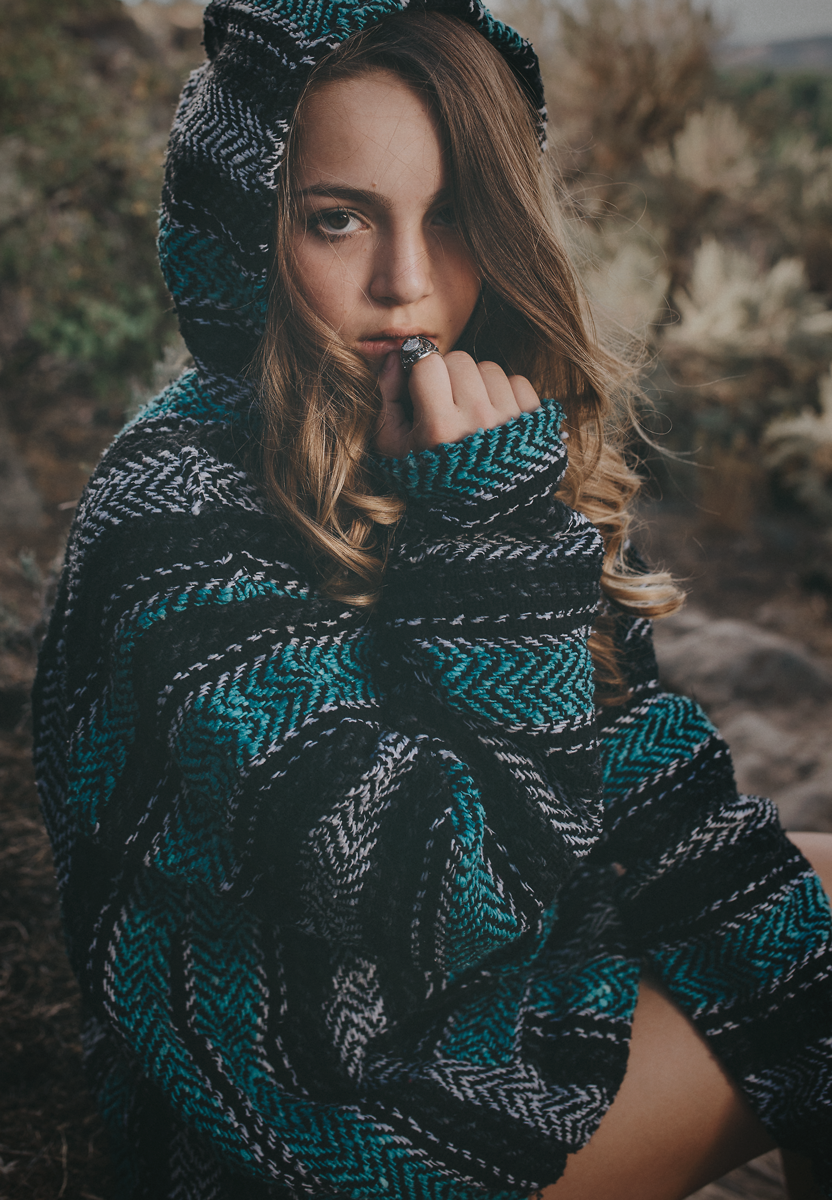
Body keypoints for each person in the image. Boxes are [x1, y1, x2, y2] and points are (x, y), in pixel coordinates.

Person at [32, 2, 832, 1198]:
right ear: (246, 225)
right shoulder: (175, 518)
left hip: (467, 1016)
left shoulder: (425, 435)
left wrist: (775, 943)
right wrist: (492, 541)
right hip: (325, 1127)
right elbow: (451, 898)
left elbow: (616, 762)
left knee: (809, 909)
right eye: (338, 218)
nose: (406, 285)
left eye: (450, 215)